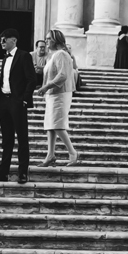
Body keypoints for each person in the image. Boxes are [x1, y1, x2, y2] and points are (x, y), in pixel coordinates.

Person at [0, 28, 38, 183]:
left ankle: (22, 173)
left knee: (22, 138)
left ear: (14, 40)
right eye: (0, 39)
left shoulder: (24, 56)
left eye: (4, 39)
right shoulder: (5, 58)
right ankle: (2, 173)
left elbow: (32, 79)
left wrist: (25, 99)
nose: (1, 42)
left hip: (17, 101)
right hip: (3, 101)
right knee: (6, 139)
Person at [41, 28, 78, 166]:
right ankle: (50, 155)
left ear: (56, 40)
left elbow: (62, 75)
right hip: (53, 94)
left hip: (60, 94)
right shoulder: (55, 55)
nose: (46, 41)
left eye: (48, 38)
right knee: (50, 125)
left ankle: (73, 152)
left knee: (57, 124)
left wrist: (46, 87)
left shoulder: (61, 54)